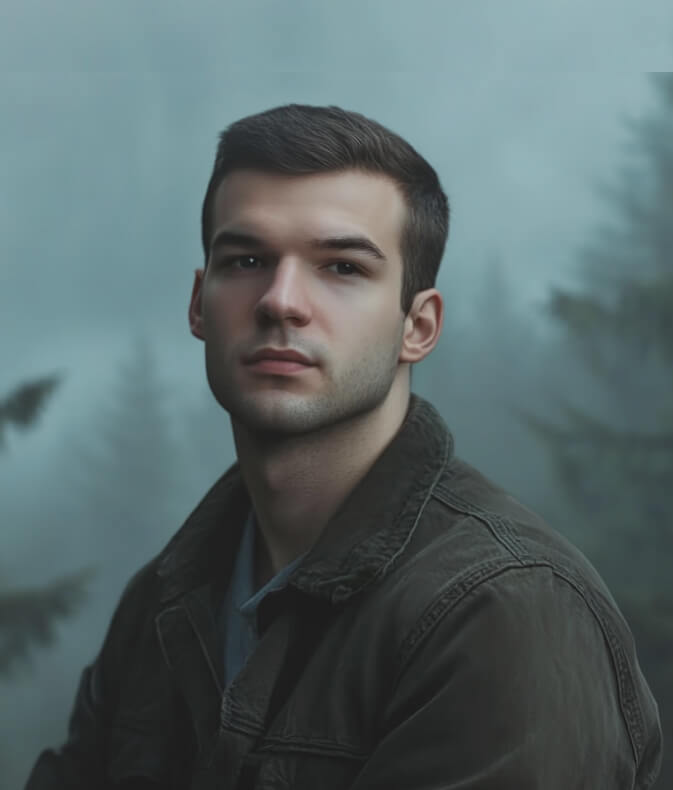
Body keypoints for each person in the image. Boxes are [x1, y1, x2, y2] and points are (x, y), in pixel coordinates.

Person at [26, 104, 662, 789]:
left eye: (341, 267)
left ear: (417, 326)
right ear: (197, 303)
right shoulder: (163, 601)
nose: (280, 300)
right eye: (245, 260)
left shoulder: (502, 612)